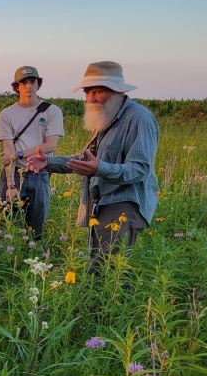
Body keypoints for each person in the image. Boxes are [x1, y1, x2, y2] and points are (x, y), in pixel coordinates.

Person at [27, 61, 159, 271]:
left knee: (107, 273)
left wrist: (100, 169)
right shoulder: (107, 118)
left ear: (116, 91)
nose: (91, 99)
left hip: (125, 204)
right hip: (103, 203)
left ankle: (104, 304)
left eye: (97, 91)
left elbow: (140, 169)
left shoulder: (139, 118)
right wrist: (48, 162)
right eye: (87, 92)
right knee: (102, 269)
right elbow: (87, 159)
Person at [0, 66, 64, 239]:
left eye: (32, 81)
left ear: (38, 84)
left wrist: (20, 154)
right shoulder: (7, 114)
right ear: (16, 87)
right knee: (6, 227)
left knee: (35, 230)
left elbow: (50, 145)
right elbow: (8, 153)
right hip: (14, 173)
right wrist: (11, 185)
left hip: (39, 174)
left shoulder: (51, 111)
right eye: (23, 82)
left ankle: (34, 258)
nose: (28, 86)